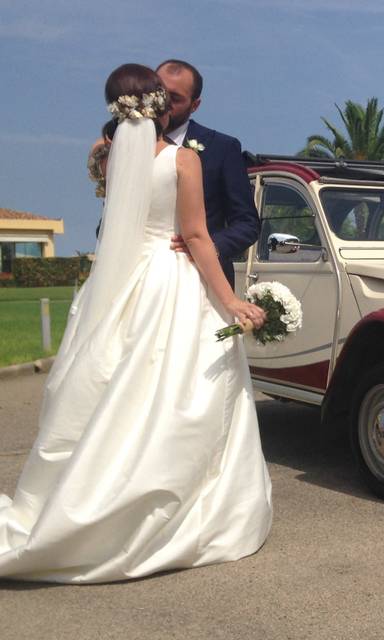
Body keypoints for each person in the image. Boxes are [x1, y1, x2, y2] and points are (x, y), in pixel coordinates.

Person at [0, 64, 273, 583]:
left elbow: (120, 224)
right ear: (158, 106)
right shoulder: (182, 160)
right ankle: (181, 507)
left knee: (110, 386)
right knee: (182, 393)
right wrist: (232, 303)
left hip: (121, 283)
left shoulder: (110, 160)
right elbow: (194, 238)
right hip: (172, 282)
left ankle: (81, 500)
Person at [157, 59, 260, 289]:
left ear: (195, 105)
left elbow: (247, 223)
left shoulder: (222, 148)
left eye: (175, 98)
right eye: (159, 93)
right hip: (146, 279)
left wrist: (207, 247)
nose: (163, 104)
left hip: (203, 281)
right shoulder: (132, 146)